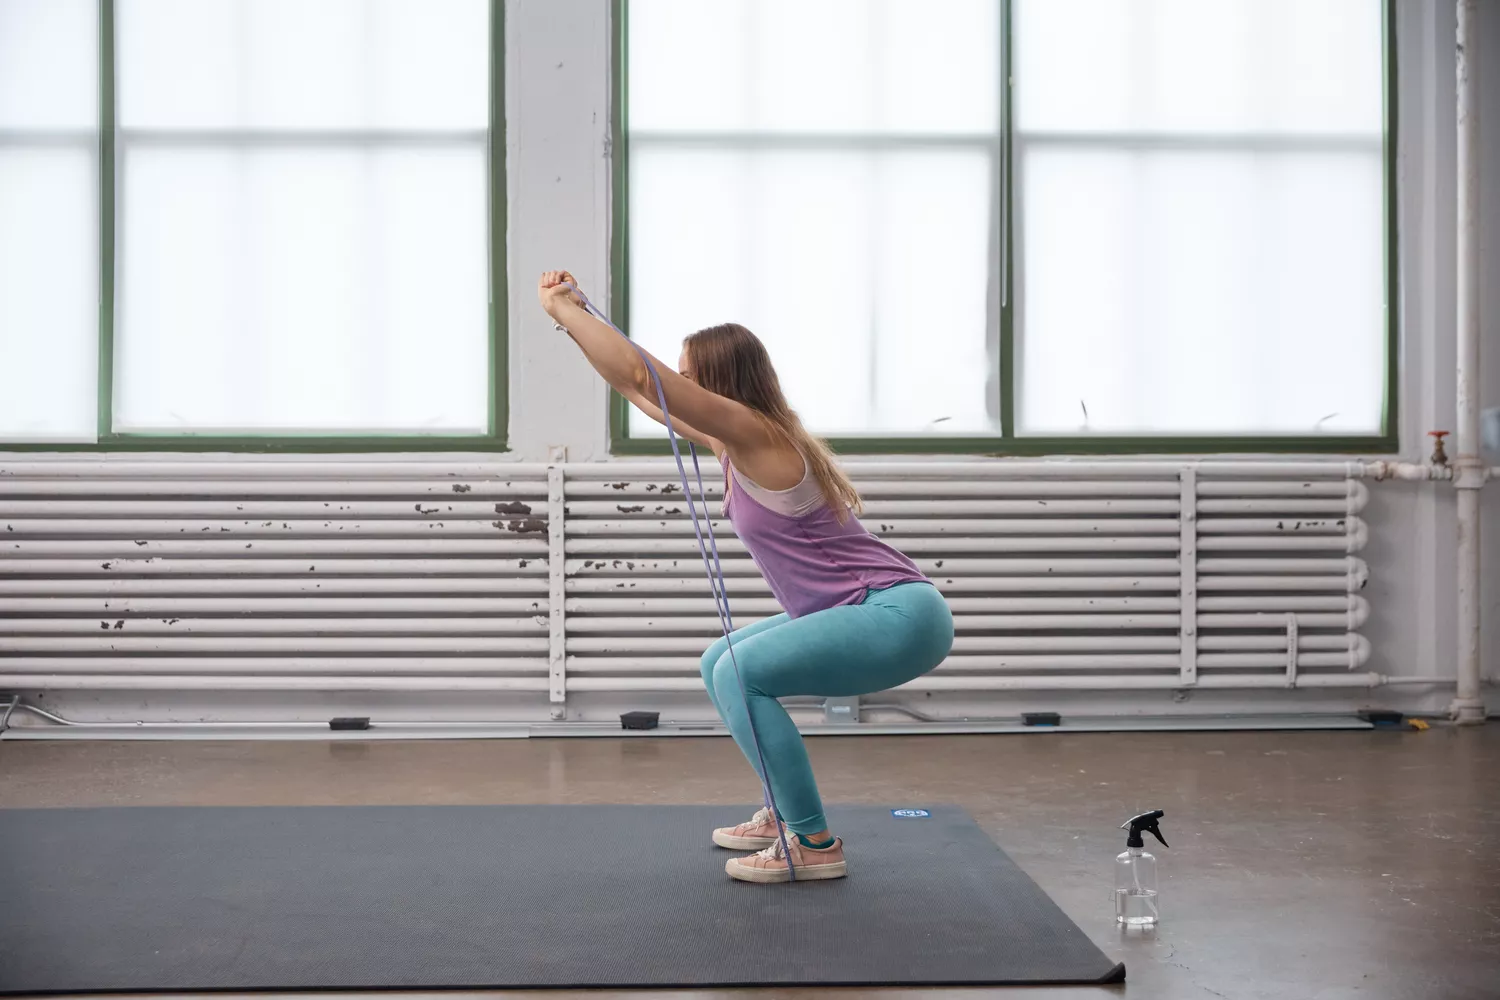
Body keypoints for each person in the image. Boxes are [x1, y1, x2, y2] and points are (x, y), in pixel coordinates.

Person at [539, 270, 955, 884]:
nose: (678, 383)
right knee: (720, 661)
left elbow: (639, 375)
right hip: (871, 609)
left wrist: (562, 307)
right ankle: (782, 812)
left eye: (689, 373)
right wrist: (573, 319)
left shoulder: (761, 437)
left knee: (740, 671)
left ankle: (812, 841)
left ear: (719, 380)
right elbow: (637, 392)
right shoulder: (734, 443)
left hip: (896, 614)